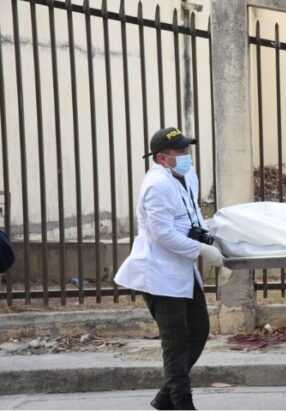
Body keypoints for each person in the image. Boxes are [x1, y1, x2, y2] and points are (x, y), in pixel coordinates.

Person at [114, 127, 224, 410]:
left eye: (187, 149)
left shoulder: (187, 175)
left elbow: (192, 215)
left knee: (198, 330)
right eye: (180, 151)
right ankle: (182, 402)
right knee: (175, 342)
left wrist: (211, 236)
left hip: (183, 269)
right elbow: (162, 234)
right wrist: (201, 250)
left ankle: (165, 397)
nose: (187, 155)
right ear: (162, 158)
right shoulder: (156, 186)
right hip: (159, 273)